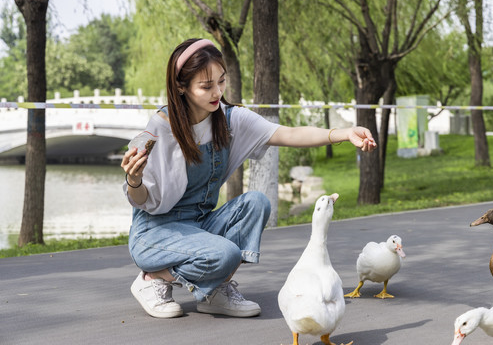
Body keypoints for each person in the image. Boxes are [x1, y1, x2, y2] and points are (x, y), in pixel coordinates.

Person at [121, 38, 377, 319]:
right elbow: (142, 201)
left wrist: (343, 133)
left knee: (256, 203)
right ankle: (152, 279)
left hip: (198, 226)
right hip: (156, 234)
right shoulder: (161, 128)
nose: (217, 92)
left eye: (221, 81)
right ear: (181, 87)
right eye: (206, 86)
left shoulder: (230, 119)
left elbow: (288, 134)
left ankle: (214, 291)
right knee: (225, 254)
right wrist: (135, 181)